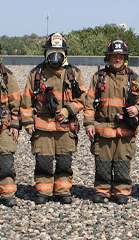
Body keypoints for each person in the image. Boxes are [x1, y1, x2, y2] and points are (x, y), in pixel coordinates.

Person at [20, 32, 85, 204]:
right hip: (42, 125)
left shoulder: (74, 74)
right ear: (45, 53)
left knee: (64, 160)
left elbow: (83, 99)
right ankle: (44, 191)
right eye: (51, 52)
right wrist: (27, 122)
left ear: (65, 54)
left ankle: (63, 190)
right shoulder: (36, 74)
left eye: (58, 52)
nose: (54, 57)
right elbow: (26, 101)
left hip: (66, 125)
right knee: (43, 160)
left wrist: (68, 110)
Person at [83, 39, 139, 204]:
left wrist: (138, 109)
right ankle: (102, 190)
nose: (117, 59)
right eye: (114, 56)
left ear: (125, 57)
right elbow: (89, 103)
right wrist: (89, 123)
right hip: (103, 128)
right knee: (102, 162)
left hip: (124, 129)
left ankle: (121, 190)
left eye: (120, 56)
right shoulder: (98, 77)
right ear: (108, 57)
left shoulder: (133, 78)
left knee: (122, 162)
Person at [0, 43, 21, 207]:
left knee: (6, 160)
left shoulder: (7, 76)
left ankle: (7, 194)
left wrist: (14, 125)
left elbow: (16, 103)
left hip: (4, 126)